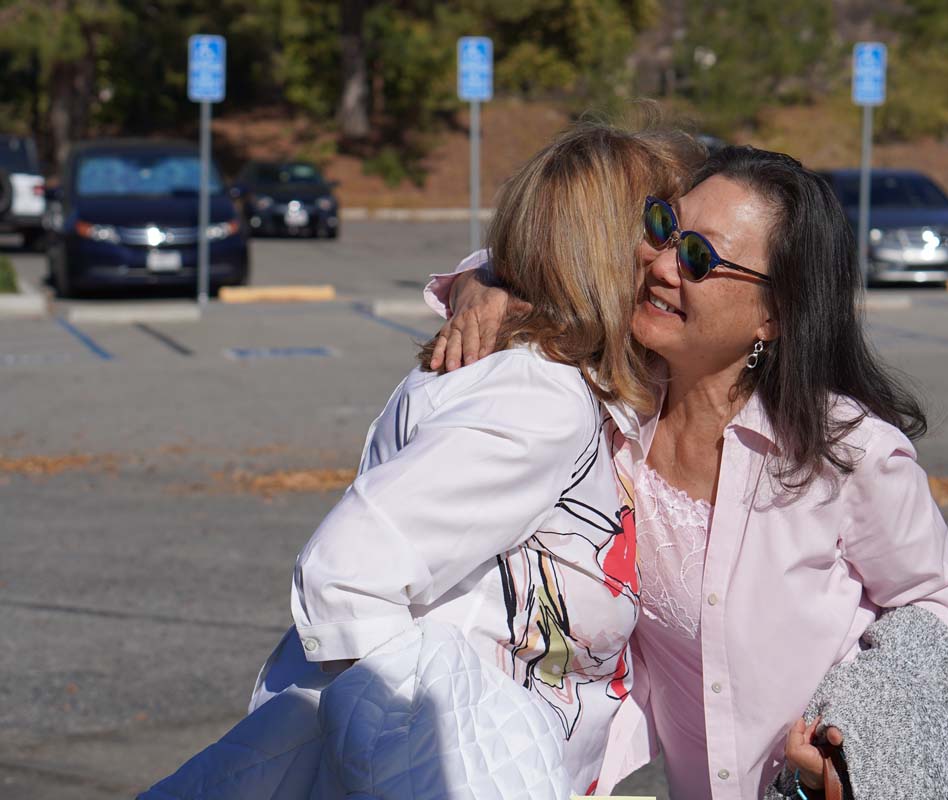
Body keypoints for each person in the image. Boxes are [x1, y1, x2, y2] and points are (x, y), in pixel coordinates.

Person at [140, 120, 705, 799]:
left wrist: (482, 276)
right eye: (662, 224)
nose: (679, 256)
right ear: (601, 242)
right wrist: (438, 763)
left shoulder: (564, 379)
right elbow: (345, 577)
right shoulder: (537, 397)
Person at [427, 145, 948, 799]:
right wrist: (478, 289)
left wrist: (855, 727)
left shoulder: (848, 453)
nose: (659, 266)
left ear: (774, 313)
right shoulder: (609, 400)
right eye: (663, 230)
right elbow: (538, 250)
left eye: (698, 259)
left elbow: (933, 602)